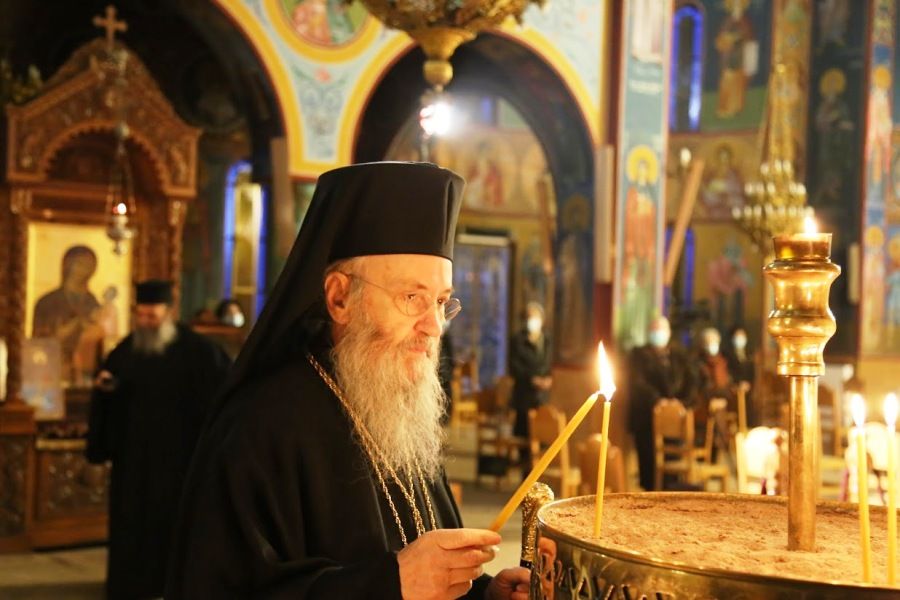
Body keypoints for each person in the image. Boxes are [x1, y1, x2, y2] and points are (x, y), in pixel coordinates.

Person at [166, 162, 529, 598]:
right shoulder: (260, 426)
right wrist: (389, 584)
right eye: (411, 297)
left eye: (441, 301)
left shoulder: (394, 409)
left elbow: (427, 564)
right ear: (339, 297)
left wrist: (484, 593)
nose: (434, 326)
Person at [86, 280, 231, 600]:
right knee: (131, 525)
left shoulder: (200, 352)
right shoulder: (126, 350)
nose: (145, 322)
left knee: (171, 526)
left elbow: (223, 399)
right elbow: (110, 387)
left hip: (179, 462)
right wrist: (106, 389)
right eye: (141, 316)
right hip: (133, 462)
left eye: (152, 316)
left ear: (168, 313)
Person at [625, 315, 697, 491]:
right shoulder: (639, 355)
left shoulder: (678, 356)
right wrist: (658, 401)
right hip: (646, 419)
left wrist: (680, 403)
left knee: (672, 472)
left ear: (669, 332)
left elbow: (691, 381)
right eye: (655, 329)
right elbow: (638, 383)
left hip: (674, 421)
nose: (658, 333)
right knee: (650, 469)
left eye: (662, 329)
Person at [32, 245, 102, 383]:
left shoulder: (93, 303)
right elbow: (37, 344)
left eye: (89, 266)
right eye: (79, 264)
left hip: (84, 373)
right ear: (67, 265)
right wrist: (61, 334)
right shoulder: (47, 302)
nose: (83, 271)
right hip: (51, 372)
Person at [508, 302, 552, 471]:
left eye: (535, 317)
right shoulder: (518, 340)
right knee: (524, 442)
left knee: (541, 442)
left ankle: (537, 476)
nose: (532, 320)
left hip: (541, 399)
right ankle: (525, 478)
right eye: (529, 317)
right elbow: (514, 367)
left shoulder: (546, 340)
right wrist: (531, 379)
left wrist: (547, 379)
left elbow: (547, 363)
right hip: (523, 397)